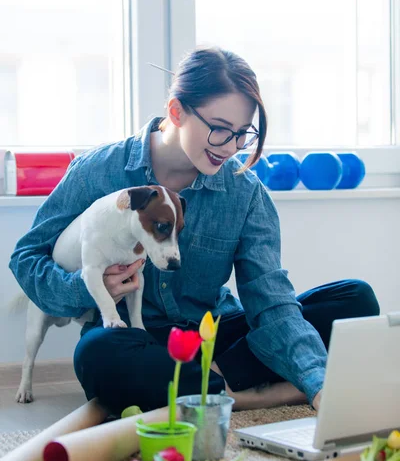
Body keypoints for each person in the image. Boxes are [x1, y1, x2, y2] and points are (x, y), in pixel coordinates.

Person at [9, 46, 379, 417]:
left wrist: (318, 383)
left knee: (355, 301)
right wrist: (85, 287)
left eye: (241, 134)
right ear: (176, 111)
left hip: (214, 337)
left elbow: (269, 299)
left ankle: (212, 385)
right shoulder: (98, 172)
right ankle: (253, 394)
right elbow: (26, 259)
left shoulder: (246, 193)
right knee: (97, 356)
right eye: (219, 129)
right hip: (137, 340)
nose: (231, 147)